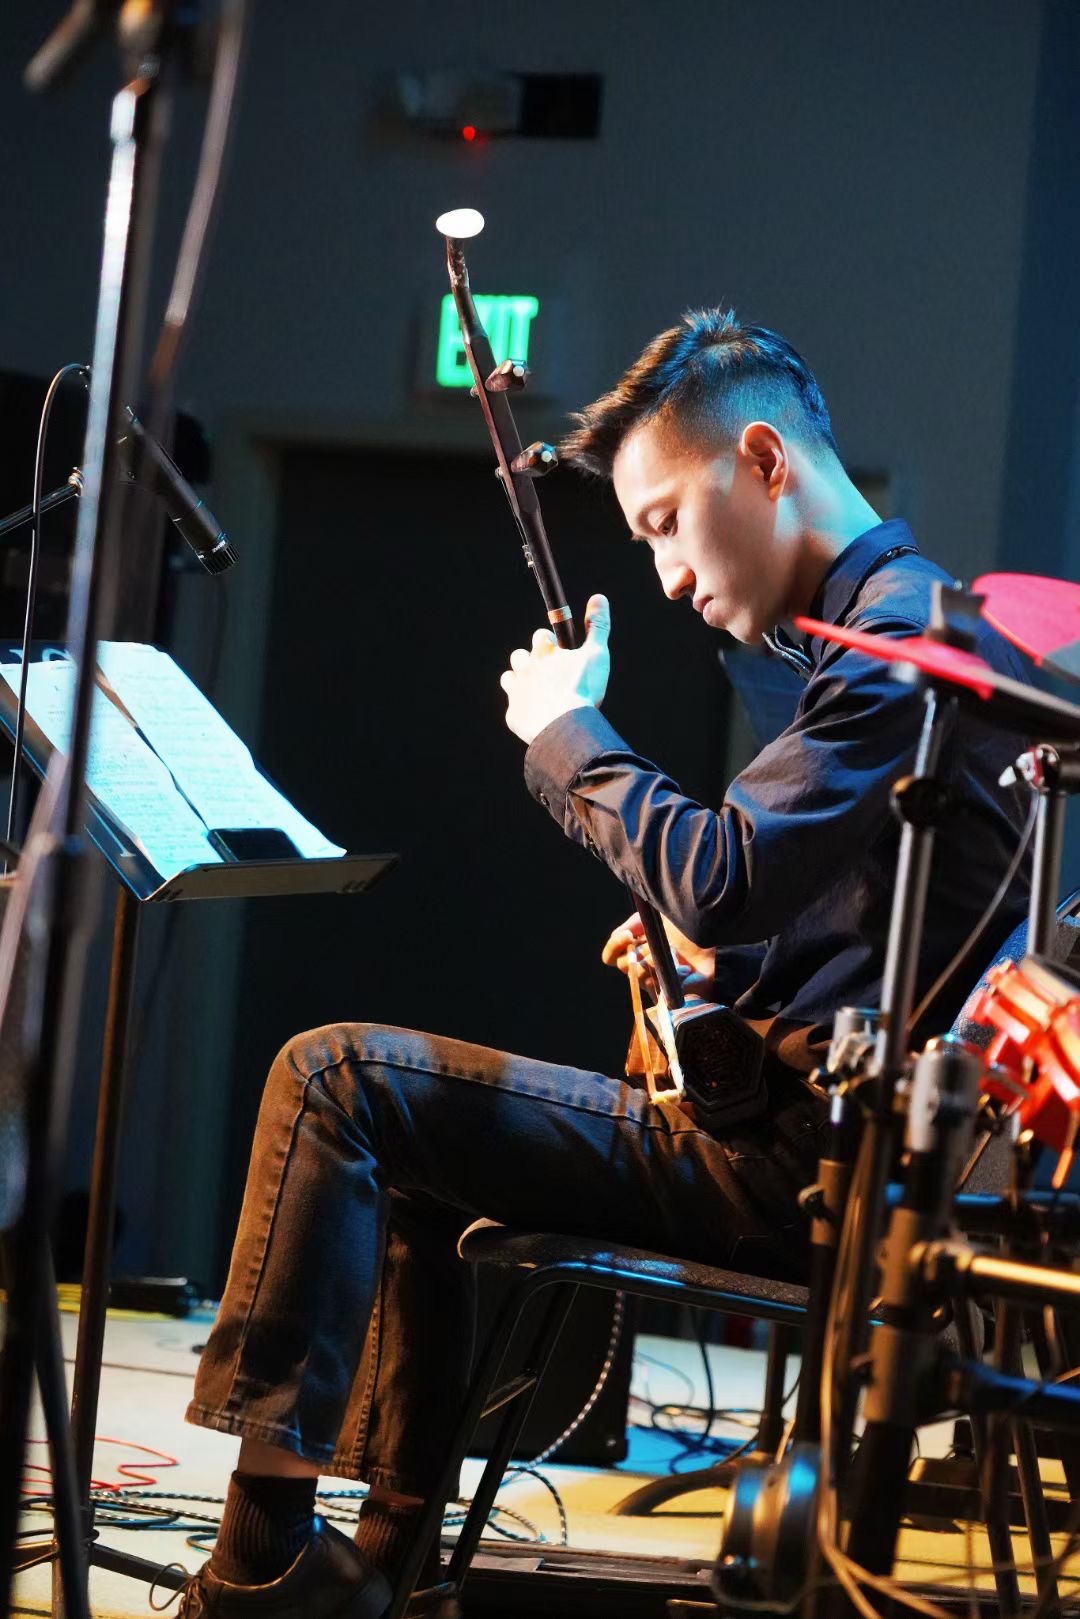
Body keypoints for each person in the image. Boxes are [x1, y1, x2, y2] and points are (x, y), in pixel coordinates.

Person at [178, 310, 1031, 1618]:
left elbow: (722, 872)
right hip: (805, 1145)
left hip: (807, 1175)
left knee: (337, 1077)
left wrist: (570, 735)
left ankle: (262, 1571)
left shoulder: (900, 648)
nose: (666, 572)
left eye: (660, 524)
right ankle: (379, 1565)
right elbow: (790, 917)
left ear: (761, 461)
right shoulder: (883, 636)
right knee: (402, 1140)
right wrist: (702, 956)